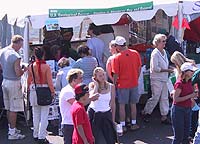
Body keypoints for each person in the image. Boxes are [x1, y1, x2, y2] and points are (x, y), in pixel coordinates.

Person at [112, 36, 142, 134]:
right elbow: (139, 68)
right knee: (133, 105)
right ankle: (133, 123)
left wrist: (114, 83)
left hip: (122, 84)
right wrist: (136, 78)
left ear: (117, 46)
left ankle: (123, 125)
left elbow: (116, 74)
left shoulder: (117, 57)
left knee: (122, 106)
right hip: (134, 83)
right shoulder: (135, 53)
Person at [142, 34, 174, 123]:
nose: (165, 43)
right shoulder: (155, 53)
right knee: (155, 97)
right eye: (163, 41)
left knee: (164, 97)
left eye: (165, 41)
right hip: (156, 78)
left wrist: (169, 68)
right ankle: (146, 112)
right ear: (157, 43)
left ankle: (164, 115)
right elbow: (155, 68)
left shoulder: (164, 51)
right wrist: (167, 70)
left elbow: (164, 65)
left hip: (164, 78)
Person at [0, 35, 27, 140]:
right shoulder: (15, 56)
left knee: (8, 107)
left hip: (5, 81)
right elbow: (18, 73)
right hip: (13, 83)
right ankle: (12, 133)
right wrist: (24, 69)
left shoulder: (2, 51)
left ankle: (11, 128)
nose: (21, 47)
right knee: (14, 109)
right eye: (20, 45)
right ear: (18, 43)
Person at [27, 46, 55, 144]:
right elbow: (49, 81)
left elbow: (29, 80)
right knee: (44, 115)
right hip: (45, 90)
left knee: (35, 113)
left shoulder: (31, 66)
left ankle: (35, 133)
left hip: (34, 90)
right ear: (43, 55)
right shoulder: (46, 66)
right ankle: (41, 135)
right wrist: (52, 92)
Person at [87, 67, 118, 143]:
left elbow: (113, 103)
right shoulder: (92, 85)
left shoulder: (111, 86)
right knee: (96, 139)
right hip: (94, 114)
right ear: (95, 77)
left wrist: (113, 120)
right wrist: (96, 85)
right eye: (100, 76)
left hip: (106, 114)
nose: (103, 77)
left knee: (110, 139)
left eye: (103, 75)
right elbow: (92, 98)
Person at [171, 62, 198, 144]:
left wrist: (194, 94)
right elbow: (176, 99)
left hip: (188, 109)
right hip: (178, 110)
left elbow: (194, 93)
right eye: (191, 71)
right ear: (185, 72)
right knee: (178, 137)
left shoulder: (191, 81)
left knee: (186, 136)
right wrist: (191, 96)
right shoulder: (179, 84)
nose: (193, 73)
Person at [59, 68, 84, 144]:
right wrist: (90, 98)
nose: (82, 80)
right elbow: (77, 105)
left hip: (74, 123)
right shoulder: (67, 91)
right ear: (74, 80)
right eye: (80, 78)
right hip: (69, 124)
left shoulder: (73, 90)